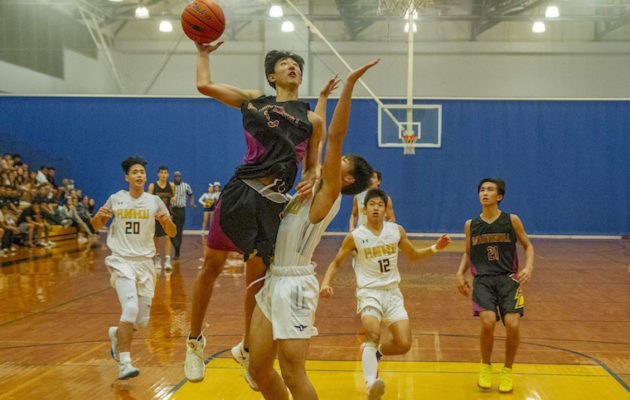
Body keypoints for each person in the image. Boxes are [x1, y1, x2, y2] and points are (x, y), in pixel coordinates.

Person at [184, 41, 326, 383]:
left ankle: (247, 349)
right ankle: (194, 342)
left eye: (296, 64)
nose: (292, 66)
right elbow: (205, 85)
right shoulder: (254, 101)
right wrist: (203, 53)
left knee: (257, 283)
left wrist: (312, 180)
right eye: (285, 62)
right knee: (211, 266)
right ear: (271, 76)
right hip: (240, 193)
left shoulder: (312, 120)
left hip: (272, 204)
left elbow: (313, 166)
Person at [248, 60, 378, 400]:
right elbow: (316, 137)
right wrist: (321, 98)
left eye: (341, 162)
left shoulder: (329, 193)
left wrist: (349, 85)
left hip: (295, 286)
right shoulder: (312, 184)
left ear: (346, 178)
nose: (331, 162)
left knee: (293, 373)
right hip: (275, 279)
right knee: (258, 368)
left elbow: (333, 136)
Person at [321, 189, 451, 400]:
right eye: (371, 204)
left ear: (386, 210)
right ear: (364, 210)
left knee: (404, 344)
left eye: (380, 205)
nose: (376, 208)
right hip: (369, 292)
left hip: (392, 293)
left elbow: (414, 256)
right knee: (372, 333)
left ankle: (376, 352)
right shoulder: (355, 237)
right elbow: (336, 263)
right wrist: (326, 283)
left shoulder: (396, 231)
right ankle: (370, 385)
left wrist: (436, 247)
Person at [91, 156, 176, 380]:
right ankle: (125, 364)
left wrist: (166, 222)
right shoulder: (116, 199)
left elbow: (172, 232)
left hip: (146, 263)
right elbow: (96, 225)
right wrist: (99, 218)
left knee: (141, 321)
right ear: (127, 177)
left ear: (145, 177)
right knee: (129, 308)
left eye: (142, 172)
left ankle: (117, 335)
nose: (139, 175)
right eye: (135, 172)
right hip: (122, 260)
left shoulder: (154, 201)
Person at [455, 178, 534, 393]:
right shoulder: (471, 225)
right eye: (482, 189)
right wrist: (460, 273)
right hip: (483, 280)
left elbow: (528, 246)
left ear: (499, 196)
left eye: (490, 190)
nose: (485, 193)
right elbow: (468, 252)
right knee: (488, 322)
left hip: (508, 279)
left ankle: (507, 369)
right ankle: (486, 366)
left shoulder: (512, 220)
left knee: (513, 324)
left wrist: (528, 267)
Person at [148, 166, 175, 271]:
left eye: (165, 173)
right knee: (156, 238)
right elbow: (148, 200)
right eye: (162, 173)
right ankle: (157, 259)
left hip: (167, 215)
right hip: (156, 215)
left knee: (168, 237)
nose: (163, 175)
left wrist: (173, 201)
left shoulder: (171, 186)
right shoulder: (152, 186)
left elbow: (173, 198)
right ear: (158, 174)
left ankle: (167, 260)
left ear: (168, 174)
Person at [171, 171, 196, 260]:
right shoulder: (170, 185)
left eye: (179, 176)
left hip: (181, 210)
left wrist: (192, 203)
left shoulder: (185, 185)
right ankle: (175, 246)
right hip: (172, 210)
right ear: (173, 177)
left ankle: (177, 251)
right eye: (176, 176)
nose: (177, 178)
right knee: (170, 231)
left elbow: (191, 195)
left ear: (181, 177)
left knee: (179, 231)